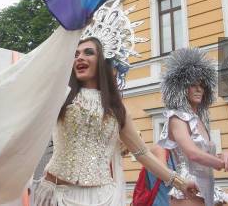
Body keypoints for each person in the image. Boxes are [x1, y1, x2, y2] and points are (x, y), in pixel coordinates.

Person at [32, 37, 198, 205]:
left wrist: (181, 183)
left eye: (88, 52)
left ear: (103, 62)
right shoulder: (62, 95)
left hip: (101, 199)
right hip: (55, 196)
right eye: (76, 54)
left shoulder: (117, 110)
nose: (80, 57)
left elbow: (142, 153)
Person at [159, 48, 228, 206]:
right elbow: (192, 154)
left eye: (202, 85)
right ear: (181, 88)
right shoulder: (176, 118)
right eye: (193, 85)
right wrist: (226, 165)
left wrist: (223, 157)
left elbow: (204, 154)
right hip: (187, 192)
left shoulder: (200, 120)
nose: (199, 89)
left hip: (207, 188)